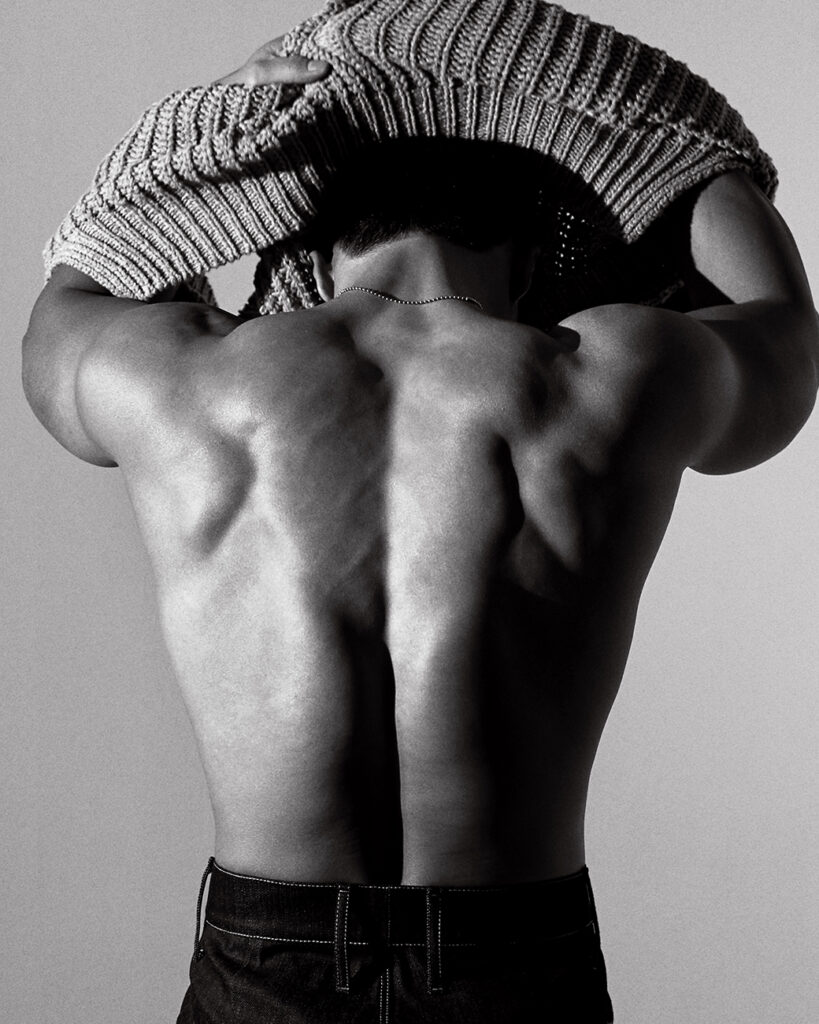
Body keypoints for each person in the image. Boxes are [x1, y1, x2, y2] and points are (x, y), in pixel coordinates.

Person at [22, 21, 818, 1024]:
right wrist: (677, 148)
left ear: (308, 237)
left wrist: (210, 128)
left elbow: (80, 283)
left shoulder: (181, 378)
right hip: (512, 956)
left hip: (268, 957)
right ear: (532, 250)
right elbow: (784, 330)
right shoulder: (617, 375)